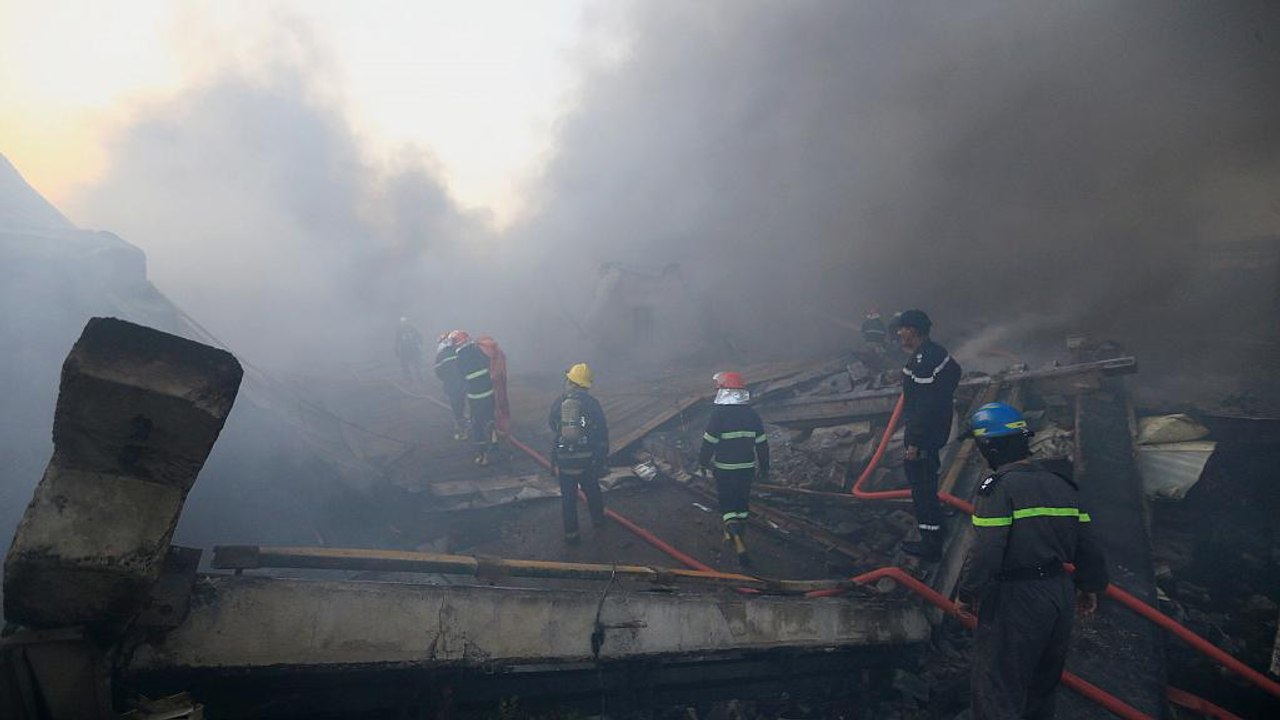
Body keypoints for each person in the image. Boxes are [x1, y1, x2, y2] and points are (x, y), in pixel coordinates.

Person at [956, 401, 1109, 720]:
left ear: (989, 446)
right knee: (1041, 687)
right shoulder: (1061, 484)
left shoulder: (998, 488)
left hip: (1016, 597)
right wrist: (1089, 586)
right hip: (1059, 594)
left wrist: (968, 593)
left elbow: (986, 551)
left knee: (998, 686)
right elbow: (1089, 543)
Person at [896, 309, 961, 560]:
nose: (899, 333)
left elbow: (922, 407)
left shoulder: (923, 361)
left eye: (902, 329)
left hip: (923, 438)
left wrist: (913, 442)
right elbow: (955, 371)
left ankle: (931, 544)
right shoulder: (937, 352)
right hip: (936, 431)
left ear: (912, 330)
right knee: (929, 483)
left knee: (921, 489)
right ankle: (938, 528)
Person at [698, 371, 770, 567]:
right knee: (741, 504)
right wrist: (765, 468)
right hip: (746, 469)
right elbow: (762, 444)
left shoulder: (719, 415)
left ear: (723, 391)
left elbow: (708, 443)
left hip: (725, 469)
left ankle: (739, 544)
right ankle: (731, 535)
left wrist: (702, 463)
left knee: (728, 505)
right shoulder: (752, 414)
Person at [547, 363, 609, 545]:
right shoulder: (592, 403)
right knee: (593, 492)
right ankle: (598, 521)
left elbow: (552, 424)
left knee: (568, 499)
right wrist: (601, 457)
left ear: (570, 381)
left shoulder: (559, 402)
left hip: (565, 460)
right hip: (587, 460)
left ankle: (571, 536)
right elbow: (601, 432)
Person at [453, 331, 498, 465]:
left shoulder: (460, 356)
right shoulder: (478, 350)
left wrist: (462, 390)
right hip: (489, 390)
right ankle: (494, 436)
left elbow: (460, 376)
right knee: (490, 415)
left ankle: (482, 455)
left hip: (475, 394)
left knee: (477, 422)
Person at [435, 331, 467, 440]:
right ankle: (469, 422)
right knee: (464, 403)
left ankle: (461, 429)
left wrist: (448, 379)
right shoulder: (458, 351)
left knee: (456, 407)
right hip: (464, 383)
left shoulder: (440, 356)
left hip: (451, 386)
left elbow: (438, 372)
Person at [394, 317, 425, 383]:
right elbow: (397, 341)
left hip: (413, 348)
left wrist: (420, 344)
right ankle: (409, 378)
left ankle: (419, 377)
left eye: (405, 322)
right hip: (405, 349)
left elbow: (420, 336)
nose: (404, 324)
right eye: (403, 323)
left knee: (416, 363)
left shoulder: (413, 329)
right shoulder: (400, 331)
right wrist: (396, 350)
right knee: (405, 364)